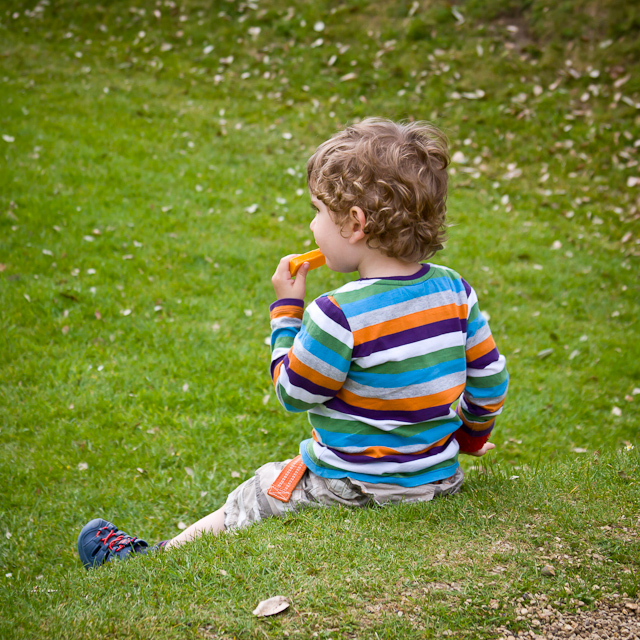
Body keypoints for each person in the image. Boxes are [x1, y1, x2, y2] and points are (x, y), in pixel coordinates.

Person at [77, 118, 508, 569]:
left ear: (356, 225)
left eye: (318, 211)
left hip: (354, 486)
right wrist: (471, 438)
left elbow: (294, 391)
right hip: (437, 479)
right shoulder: (454, 291)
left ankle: (151, 562)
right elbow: (491, 381)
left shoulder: (336, 313)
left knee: (260, 488)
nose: (312, 224)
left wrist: (287, 313)